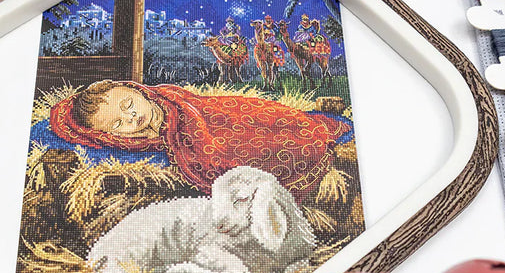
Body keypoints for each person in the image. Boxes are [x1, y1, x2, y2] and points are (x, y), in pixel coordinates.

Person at [48, 80, 351, 201]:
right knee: (233, 155)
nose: (131, 117)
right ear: (109, 136)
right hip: (220, 144)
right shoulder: (133, 144)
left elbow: (205, 110)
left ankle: (304, 129)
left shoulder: (168, 101)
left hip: (216, 116)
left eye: (128, 104)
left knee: (261, 119)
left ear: (138, 90)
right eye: (118, 124)